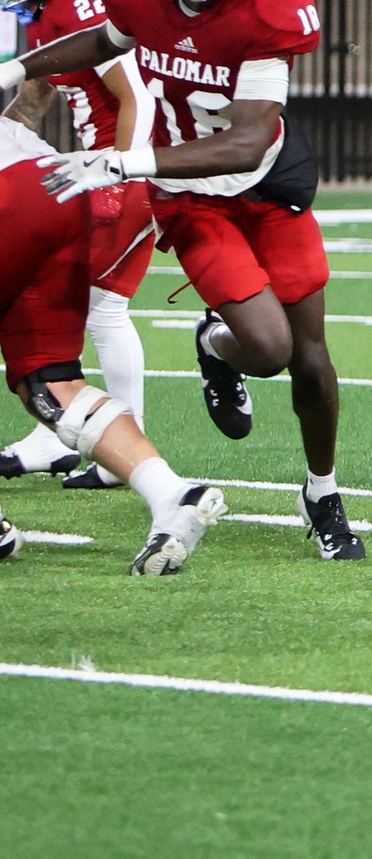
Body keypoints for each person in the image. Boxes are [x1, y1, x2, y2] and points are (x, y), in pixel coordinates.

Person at [0, 0, 364, 560]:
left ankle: (322, 492)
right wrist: (21, 67)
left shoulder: (272, 5)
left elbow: (250, 136)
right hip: (191, 197)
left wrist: (124, 160)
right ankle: (215, 346)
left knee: (310, 357)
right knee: (266, 350)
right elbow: (108, 42)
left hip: (263, 184)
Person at [0, 82, 226, 573]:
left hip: (12, 199)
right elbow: (32, 101)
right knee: (51, 382)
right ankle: (171, 494)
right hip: (51, 184)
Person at [0, 0, 157, 489]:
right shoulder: (45, 10)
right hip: (88, 171)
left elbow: (136, 96)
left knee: (102, 308)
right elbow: (32, 104)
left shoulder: (82, 1)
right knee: (54, 307)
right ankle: (54, 436)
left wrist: (124, 171)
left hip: (120, 169)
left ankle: (123, 446)